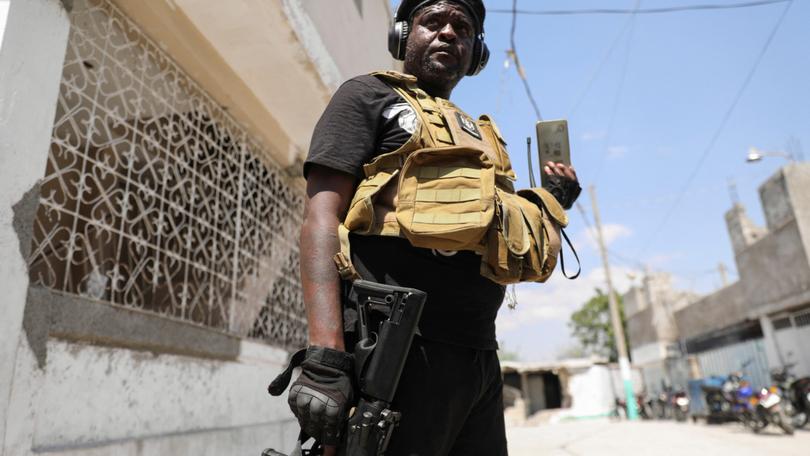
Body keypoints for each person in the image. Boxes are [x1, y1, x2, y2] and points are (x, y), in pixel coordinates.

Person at [285, 1, 580, 455]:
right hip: (396, 351)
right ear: (403, 35)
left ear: (475, 51)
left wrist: (554, 199)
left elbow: (500, 232)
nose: (447, 33)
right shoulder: (368, 96)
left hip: (479, 356)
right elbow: (320, 218)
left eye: (462, 27)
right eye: (433, 22)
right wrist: (326, 355)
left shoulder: (481, 139)